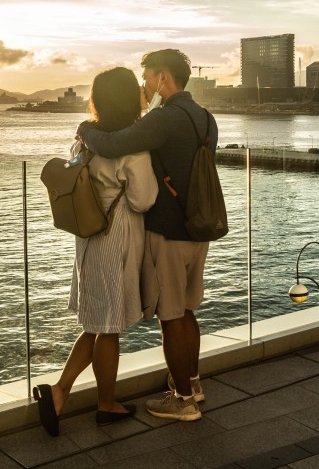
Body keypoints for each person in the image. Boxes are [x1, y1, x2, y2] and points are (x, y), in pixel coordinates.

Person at [77, 49, 215, 422]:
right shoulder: (205, 118)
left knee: (170, 317)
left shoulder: (164, 119)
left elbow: (110, 145)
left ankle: (182, 399)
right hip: (199, 228)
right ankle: (194, 383)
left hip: (168, 232)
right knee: (187, 311)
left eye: (148, 77)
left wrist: (86, 128)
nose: (145, 85)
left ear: (163, 78)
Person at [33, 67, 158, 437]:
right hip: (116, 237)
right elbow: (143, 198)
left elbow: (75, 173)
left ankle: (89, 398)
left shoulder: (85, 138)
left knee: (100, 324)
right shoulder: (131, 146)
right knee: (106, 326)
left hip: (87, 235)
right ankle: (68, 393)